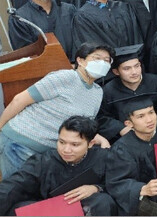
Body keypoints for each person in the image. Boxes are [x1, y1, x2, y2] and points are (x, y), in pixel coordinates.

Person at [0, 42, 112, 177]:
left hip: (51, 152)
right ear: (80, 60)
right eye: (97, 58)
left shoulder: (97, 92)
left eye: (107, 61)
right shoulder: (65, 77)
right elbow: (19, 100)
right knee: (20, 192)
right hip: (19, 143)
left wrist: (100, 139)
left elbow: (81, 125)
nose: (102, 63)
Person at [0, 116, 117, 216]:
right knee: (18, 207)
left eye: (74, 144)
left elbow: (120, 184)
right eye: (61, 142)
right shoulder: (44, 161)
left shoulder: (103, 158)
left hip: (86, 207)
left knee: (103, 201)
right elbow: (16, 184)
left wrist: (96, 188)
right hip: (50, 209)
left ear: (90, 143)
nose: (66, 150)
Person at [97, 44, 157, 143]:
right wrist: (120, 128)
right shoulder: (108, 91)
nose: (134, 72)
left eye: (137, 66)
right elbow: (101, 117)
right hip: (125, 140)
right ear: (116, 71)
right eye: (127, 69)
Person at [8, 0, 76, 57]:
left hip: (74, 66)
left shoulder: (68, 9)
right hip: (43, 68)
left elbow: (78, 40)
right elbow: (25, 52)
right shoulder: (20, 18)